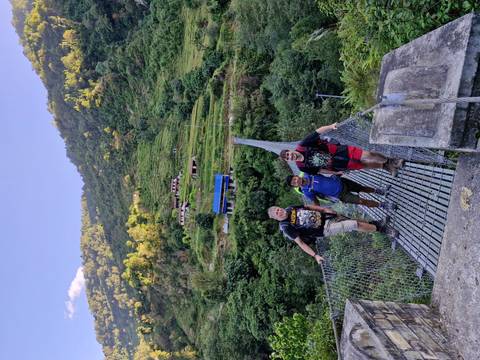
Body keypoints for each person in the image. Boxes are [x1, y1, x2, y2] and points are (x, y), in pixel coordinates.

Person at [267, 205, 398, 263]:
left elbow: (308, 207)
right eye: (277, 213)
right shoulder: (286, 227)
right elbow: (300, 243)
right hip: (324, 229)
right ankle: (383, 230)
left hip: (325, 216)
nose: (280, 212)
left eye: (278, 209)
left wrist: (324, 209)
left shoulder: (290, 208)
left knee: (350, 219)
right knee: (352, 225)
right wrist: (315, 255)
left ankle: (377, 224)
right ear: (276, 218)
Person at [279, 123, 404, 176]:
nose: (291, 156)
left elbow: (317, 131)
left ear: (290, 151)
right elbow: (320, 171)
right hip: (337, 164)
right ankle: (386, 167)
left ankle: (391, 161)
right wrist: (335, 173)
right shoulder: (301, 167)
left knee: (367, 154)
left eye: (289, 154)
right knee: (363, 164)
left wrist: (330, 127)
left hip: (338, 151)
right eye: (288, 158)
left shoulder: (303, 145)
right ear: (289, 160)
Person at [286, 173, 395, 211]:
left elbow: (323, 169)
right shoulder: (307, 191)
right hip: (340, 195)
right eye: (294, 183)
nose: (296, 181)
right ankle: (383, 205)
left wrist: (337, 172)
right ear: (295, 186)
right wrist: (317, 210)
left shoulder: (308, 174)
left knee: (361, 188)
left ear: (296, 176)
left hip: (341, 182)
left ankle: (380, 191)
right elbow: (316, 202)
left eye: (294, 179)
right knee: (361, 201)